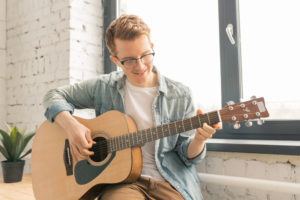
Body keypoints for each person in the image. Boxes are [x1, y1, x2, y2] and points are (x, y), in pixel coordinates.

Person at [43, 14, 221, 200]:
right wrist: (72, 127)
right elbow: (52, 96)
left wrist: (199, 139)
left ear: (152, 48)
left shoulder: (180, 94)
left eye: (145, 55)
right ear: (116, 61)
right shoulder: (103, 87)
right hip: (121, 183)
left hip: (169, 181)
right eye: (128, 60)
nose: (140, 66)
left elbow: (187, 156)